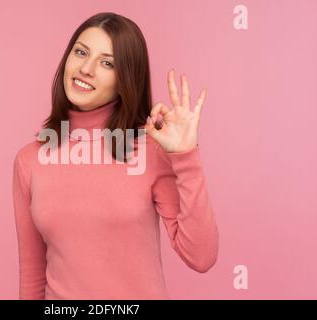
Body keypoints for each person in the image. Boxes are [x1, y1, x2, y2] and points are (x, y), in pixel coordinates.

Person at [12, 12, 219, 300]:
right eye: (81, 52)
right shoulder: (30, 160)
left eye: (107, 62)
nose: (86, 68)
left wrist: (185, 156)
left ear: (125, 79)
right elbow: (33, 271)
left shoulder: (150, 150)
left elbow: (201, 256)